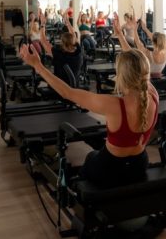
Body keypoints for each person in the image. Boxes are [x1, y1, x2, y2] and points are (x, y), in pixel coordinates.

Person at [19, 43, 158, 188]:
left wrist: (38, 66)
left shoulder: (113, 105)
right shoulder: (153, 95)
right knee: (96, 155)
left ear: (122, 74)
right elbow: (137, 65)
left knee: (91, 157)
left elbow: (67, 92)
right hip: (139, 165)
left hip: (110, 168)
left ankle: (76, 190)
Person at [39, 13, 83, 83]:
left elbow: (43, 41)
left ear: (62, 43)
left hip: (60, 86)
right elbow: (73, 35)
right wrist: (67, 22)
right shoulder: (78, 50)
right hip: (74, 85)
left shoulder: (59, 54)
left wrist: (42, 24)